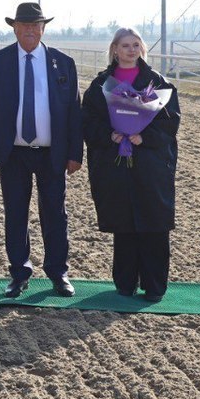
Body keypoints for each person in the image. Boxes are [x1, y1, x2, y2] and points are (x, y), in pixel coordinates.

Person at [0, 2, 82, 298]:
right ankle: (19, 273)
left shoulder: (63, 62)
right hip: (13, 153)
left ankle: (58, 273)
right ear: (15, 29)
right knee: (16, 213)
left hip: (52, 153)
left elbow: (74, 110)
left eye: (36, 25)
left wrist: (75, 152)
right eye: (24, 25)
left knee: (55, 214)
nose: (30, 30)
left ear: (43, 28)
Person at [81, 28, 180, 302]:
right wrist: (109, 134)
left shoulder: (158, 83)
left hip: (149, 165)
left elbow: (170, 123)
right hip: (115, 164)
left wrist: (143, 136)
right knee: (123, 223)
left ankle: (154, 285)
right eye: (125, 45)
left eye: (136, 44)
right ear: (114, 49)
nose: (131, 50)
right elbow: (87, 120)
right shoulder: (101, 84)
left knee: (153, 224)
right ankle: (125, 283)